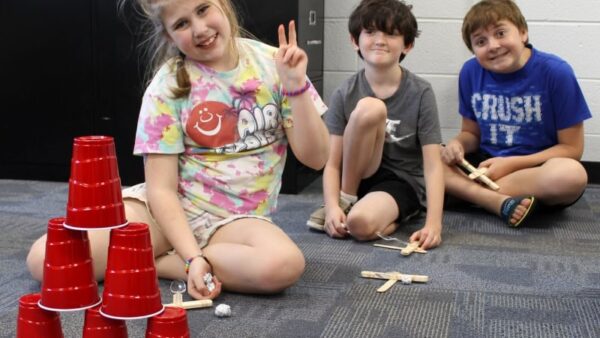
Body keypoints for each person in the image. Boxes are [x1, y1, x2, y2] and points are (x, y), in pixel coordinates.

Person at [26, 0, 329, 300]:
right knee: (48, 261)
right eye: (181, 24)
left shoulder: (274, 63)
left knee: (284, 265)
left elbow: (316, 157)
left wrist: (295, 86)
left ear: (223, 4)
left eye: (203, 10)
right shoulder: (167, 86)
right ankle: (186, 260)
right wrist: (193, 259)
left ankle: (157, 262)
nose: (199, 29)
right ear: (169, 36)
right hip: (167, 212)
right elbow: (162, 191)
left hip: (238, 221)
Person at [306, 0, 444, 250]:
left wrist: (434, 223)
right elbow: (333, 162)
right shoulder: (344, 92)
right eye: (370, 32)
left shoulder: (421, 92)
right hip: (357, 175)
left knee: (359, 225)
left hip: (401, 182)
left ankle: (385, 213)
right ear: (354, 40)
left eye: (391, 34)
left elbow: (433, 166)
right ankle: (346, 199)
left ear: (408, 45)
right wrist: (332, 207)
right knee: (370, 107)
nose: (380, 40)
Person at [442, 0, 591, 227]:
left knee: (572, 175)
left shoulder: (556, 72)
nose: (493, 45)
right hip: (485, 164)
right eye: (481, 41)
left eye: (500, 33)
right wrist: (457, 144)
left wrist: (511, 164)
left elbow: (572, 149)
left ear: (523, 33)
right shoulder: (470, 72)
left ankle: (465, 193)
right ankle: (498, 202)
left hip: (536, 167)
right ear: (473, 49)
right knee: (431, 154)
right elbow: (471, 134)